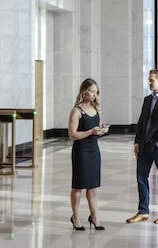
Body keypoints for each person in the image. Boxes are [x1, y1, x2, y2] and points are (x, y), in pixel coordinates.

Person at [125, 69, 158, 224]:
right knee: (141, 178)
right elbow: (141, 123)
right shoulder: (147, 99)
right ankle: (143, 212)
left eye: (152, 80)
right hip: (144, 146)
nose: (149, 82)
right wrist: (137, 142)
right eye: (149, 79)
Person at [68, 78, 109, 230]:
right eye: (91, 91)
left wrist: (101, 131)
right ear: (84, 91)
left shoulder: (97, 109)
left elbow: (96, 131)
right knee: (78, 186)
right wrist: (91, 131)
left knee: (93, 187)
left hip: (94, 151)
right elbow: (72, 135)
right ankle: (76, 217)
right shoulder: (77, 111)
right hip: (81, 152)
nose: (94, 95)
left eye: (96, 92)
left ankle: (94, 216)